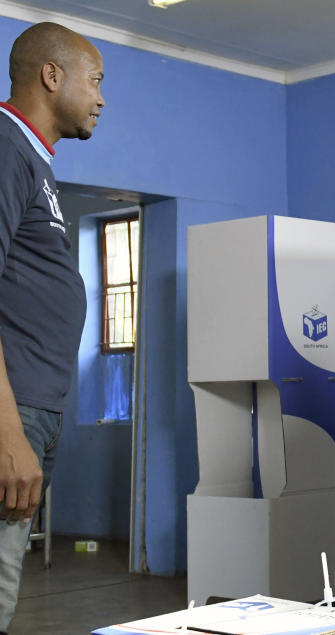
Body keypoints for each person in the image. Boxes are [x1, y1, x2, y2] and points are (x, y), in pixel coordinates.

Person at [0, 22, 104, 630]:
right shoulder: (5, 148)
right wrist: (10, 433)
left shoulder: (34, 162)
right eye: (95, 80)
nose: (101, 97)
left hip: (33, 409)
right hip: (13, 411)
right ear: (51, 75)